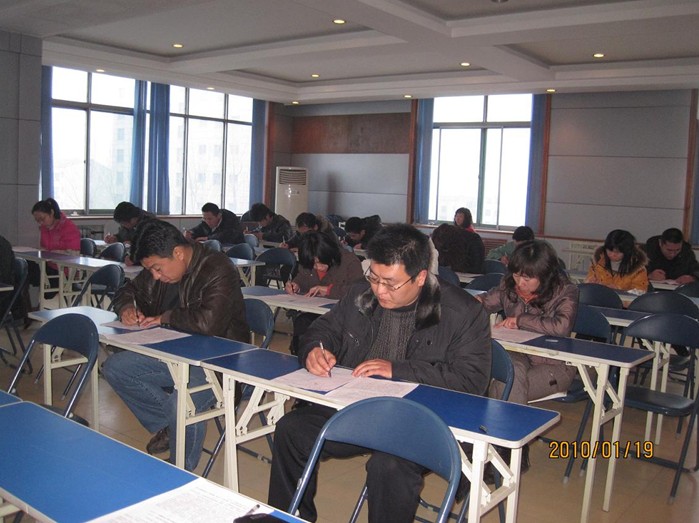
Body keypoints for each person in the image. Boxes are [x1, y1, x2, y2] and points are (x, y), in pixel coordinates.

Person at [267, 224, 492, 523]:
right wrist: (314, 350)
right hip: (361, 408)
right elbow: (323, 329)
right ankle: (290, 519)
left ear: (420, 277)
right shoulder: (360, 293)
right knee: (291, 429)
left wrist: (397, 369)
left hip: (421, 420)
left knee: (389, 466)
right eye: (374, 277)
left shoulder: (462, 312)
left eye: (390, 283)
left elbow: (471, 380)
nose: (379, 290)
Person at [102, 219, 249, 472]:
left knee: (181, 401)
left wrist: (165, 317)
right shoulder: (160, 269)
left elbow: (209, 324)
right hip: (174, 352)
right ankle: (171, 425)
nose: (155, 276)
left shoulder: (217, 267)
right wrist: (126, 307)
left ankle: (181, 468)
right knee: (115, 368)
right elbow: (128, 289)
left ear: (178, 253)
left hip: (220, 361)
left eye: (157, 269)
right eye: (151, 270)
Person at [477, 240, 579, 404]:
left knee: (503, 386)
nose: (520, 283)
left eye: (527, 278)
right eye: (516, 275)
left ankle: (497, 420)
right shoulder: (509, 285)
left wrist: (520, 320)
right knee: (509, 374)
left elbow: (562, 326)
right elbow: (486, 302)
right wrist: (470, 302)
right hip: (517, 354)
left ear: (544, 275)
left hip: (554, 363)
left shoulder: (565, 291)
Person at [284, 231, 363, 354]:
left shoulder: (349, 262)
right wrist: (295, 285)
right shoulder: (308, 262)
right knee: (302, 323)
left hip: (341, 316)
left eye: (319, 262)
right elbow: (302, 278)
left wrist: (329, 290)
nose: (317, 267)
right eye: (313, 264)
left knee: (320, 328)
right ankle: (300, 355)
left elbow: (359, 290)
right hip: (315, 312)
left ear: (329, 254)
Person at [28, 198, 81, 291]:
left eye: (42, 219)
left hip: (64, 270)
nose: (40, 223)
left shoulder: (69, 227)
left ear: (51, 213)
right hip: (49, 266)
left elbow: (73, 255)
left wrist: (51, 253)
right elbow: (44, 248)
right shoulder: (44, 228)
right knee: (24, 266)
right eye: (37, 220)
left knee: (26, 271)